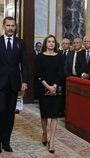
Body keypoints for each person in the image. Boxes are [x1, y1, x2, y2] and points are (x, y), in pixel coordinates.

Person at [0, 16, 28, 153]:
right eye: (8, 25)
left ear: (15, 27)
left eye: (13, 26)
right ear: (3, 26)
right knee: (1, 111)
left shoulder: (20, 43)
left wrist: (25, 81)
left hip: (14, 84)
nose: (10, 28)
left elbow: (24, 64)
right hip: (0, 83)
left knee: (10, 114)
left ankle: (6, 142)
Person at [37, 35, 64, 154]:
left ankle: (51, 141)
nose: (51, 44)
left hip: (56, 89)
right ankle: (44, 133)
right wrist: (47, 86)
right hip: (43, 88)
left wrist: (55, 86)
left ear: (55, 44)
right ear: (45, 43)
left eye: (53, 42)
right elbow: (38, 74)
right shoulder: (40, 57)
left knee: (54, 115)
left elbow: (60, 72)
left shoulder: (60, 56)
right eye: (49, 41)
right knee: (44, 115)